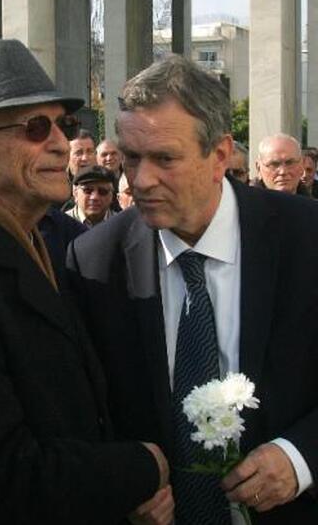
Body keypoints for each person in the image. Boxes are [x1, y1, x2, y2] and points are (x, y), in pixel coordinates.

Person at [0, 38, 173, 525]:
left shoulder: (37, 242)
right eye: (36, 127)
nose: (60, 143)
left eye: (65, 125)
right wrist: (143, 467)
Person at [67, 55, 318, 524]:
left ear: (220, 156)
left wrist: (301, 457)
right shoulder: (95, 261)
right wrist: (123, 486)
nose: (141, 180)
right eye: (131, 157)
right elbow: (85, 412)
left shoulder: (305, 237)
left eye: (165, 158)